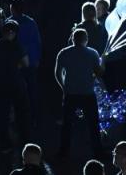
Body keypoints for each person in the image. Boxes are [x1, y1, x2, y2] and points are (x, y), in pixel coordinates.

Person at [55, 28, 103, 158]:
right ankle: (98, 151)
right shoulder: (92, 53)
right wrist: (102, 63)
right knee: (93, 124)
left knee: (67, 124)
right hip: (87, 93)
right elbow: (99, 73)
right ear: (86, 39)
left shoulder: (64, 53)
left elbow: (57, 73)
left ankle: (63, 152)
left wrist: (64, 87)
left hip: (70, 93)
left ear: (72, 39)